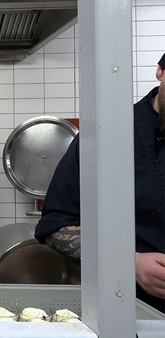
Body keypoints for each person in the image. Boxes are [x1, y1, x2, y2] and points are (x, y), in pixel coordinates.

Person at [35, 53, 165, 313]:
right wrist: (128, 263)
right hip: (133, 311)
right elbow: (55, 224)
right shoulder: (108, 134)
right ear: (161, 71)